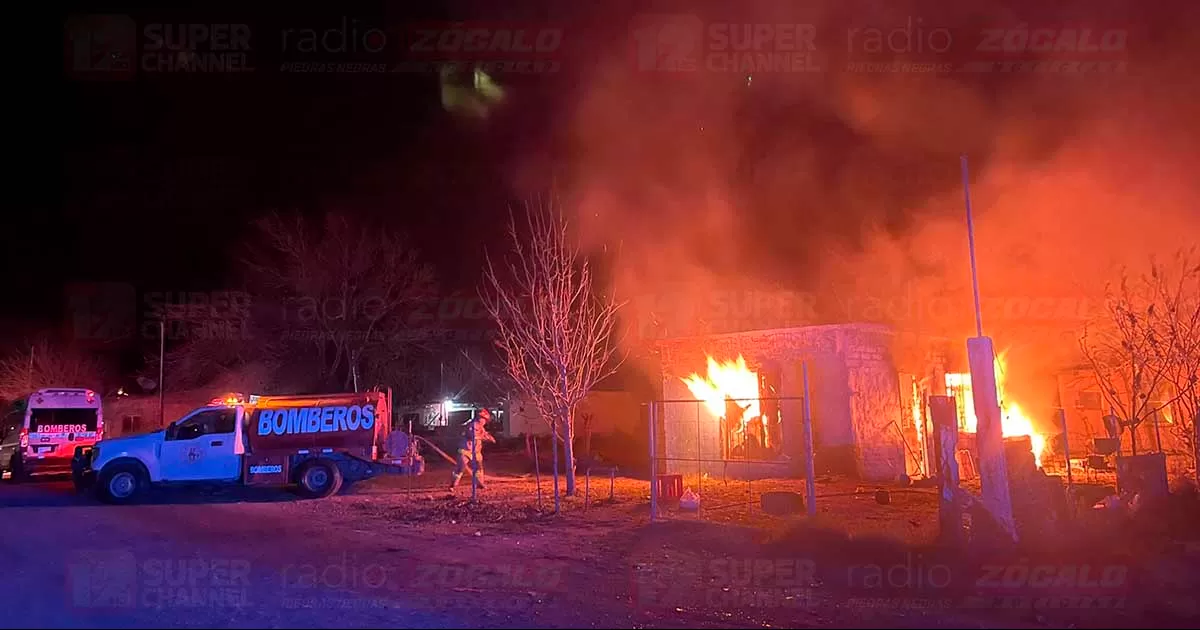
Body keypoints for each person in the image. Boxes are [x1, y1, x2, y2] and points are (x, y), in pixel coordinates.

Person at [450, 408, 496, 490]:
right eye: (484, 419)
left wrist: (489, 437)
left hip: (476, 451)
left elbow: (484, 434)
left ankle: (480, 484)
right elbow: (473, 436)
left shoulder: (481, 427)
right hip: (466, 450)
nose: (485, 422)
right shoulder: (472, 425)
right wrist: (485, 438)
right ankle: (453, 485)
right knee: (461, 468)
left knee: (479, 468)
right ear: (480, 418)